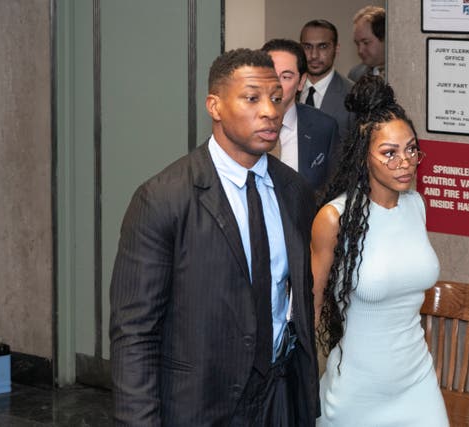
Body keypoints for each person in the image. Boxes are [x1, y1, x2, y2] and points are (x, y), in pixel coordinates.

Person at [109, 48, 320, 426]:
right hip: (199, 406)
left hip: (279, 398)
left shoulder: (295, 192)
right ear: (215, 106)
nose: (271, 111)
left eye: (275, 98)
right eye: (252, 98)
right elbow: (135, 333)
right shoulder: (163, 198)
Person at [311, 76, 449, 426]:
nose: (405, 161)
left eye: (411, 149)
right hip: (359, 390)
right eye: (389, 152)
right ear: (364, 157)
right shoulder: (334, 219)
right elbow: (310, 312)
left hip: (416, 380)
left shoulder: (416, 206)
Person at [261, 39, 341, 196]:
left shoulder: (324, 127)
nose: (276, 84)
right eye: (269, 75)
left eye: (286, 77)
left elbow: (333, 189)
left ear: (301, 82)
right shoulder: (240, 125)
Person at [299, 19, 354, 144]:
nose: (314, 55)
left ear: (336, 49)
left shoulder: (352, 95)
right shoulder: (287, 89)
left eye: (323, 47)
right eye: (307, 47)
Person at [349, 6, 386, 82]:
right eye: (357, 44)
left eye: (366, 43)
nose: (360, 51)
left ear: (385, 38)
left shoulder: (410, 71)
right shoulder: (355, 75)